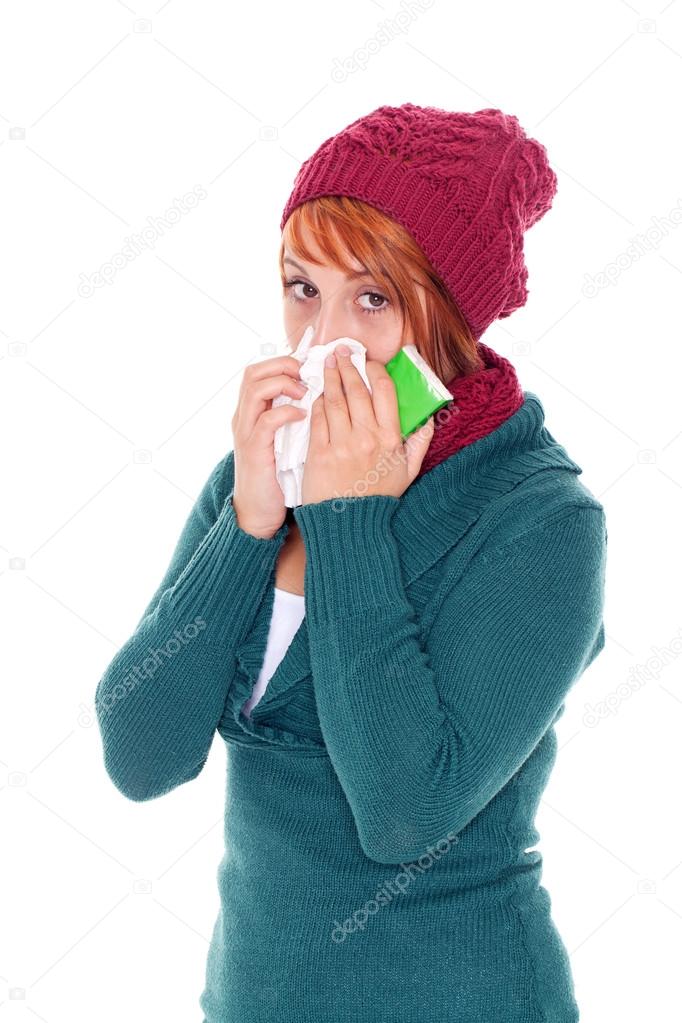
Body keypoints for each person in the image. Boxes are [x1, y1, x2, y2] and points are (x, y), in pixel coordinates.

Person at [95, 103, 607, 1022]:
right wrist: (248, 526)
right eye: (302, 288)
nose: (321, 340)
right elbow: (141, 756)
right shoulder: (261, 473)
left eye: (371, 299)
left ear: (450, 316)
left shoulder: (542, 520)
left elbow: (403, 814)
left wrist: (348, 520)